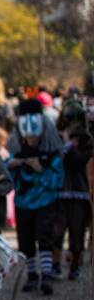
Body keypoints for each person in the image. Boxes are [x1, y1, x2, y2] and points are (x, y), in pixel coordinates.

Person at [7, 98, 64, 295]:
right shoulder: (16, 153)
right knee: (25, 239)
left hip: (45, 202)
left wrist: (40, 169)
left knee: (45, 238)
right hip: (23, 202)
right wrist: (12, 167)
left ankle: (46, 275)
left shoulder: (52, 155)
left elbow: (57, 181)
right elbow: (8, 180)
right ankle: (32, 275)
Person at [53, 98, 92, 280]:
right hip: (58, 189)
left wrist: (69, 146)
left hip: (78, 189)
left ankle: (75, 264)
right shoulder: (56, 134)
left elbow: (80, 160)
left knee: (77, 230)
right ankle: (55, 264)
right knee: (57, 230)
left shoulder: (86, 139)